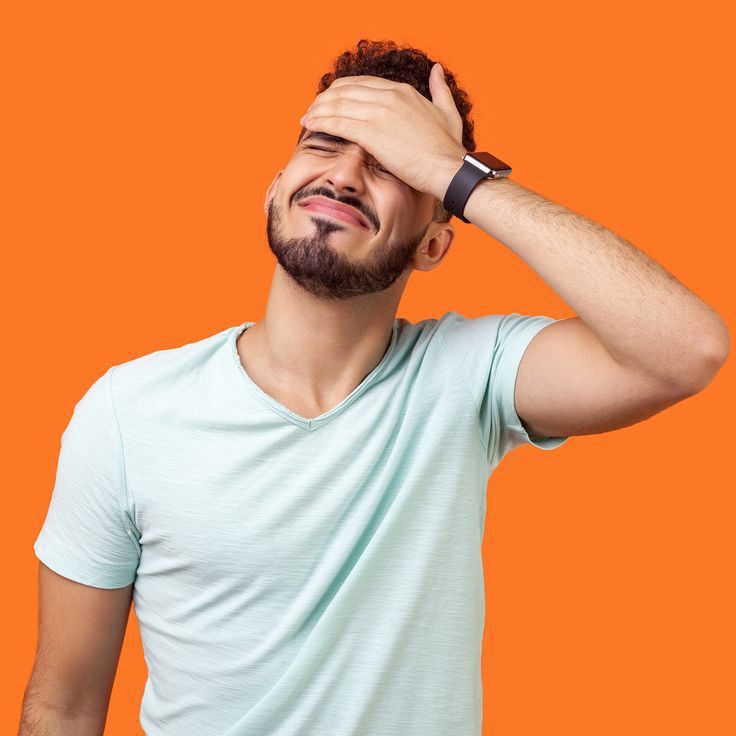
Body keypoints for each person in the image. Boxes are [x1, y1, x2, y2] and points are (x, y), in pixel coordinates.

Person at [21, 38, 728, 736]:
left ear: (434, 242)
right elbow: (64, 709)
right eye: (326, 144)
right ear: (274, 187)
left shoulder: (467, 376)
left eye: (392, 162)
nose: (346, 176)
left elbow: (687, 349)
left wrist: (457, 173)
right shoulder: (127, 412)